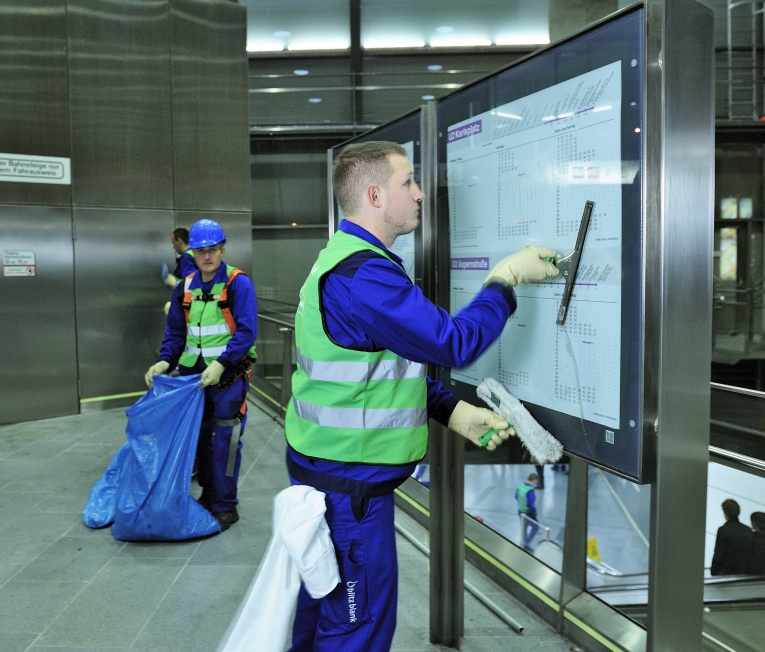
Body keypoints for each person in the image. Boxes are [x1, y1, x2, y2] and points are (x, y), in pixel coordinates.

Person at [283, 141, 559, 651]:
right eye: (407, 182)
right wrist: (505, 279)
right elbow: (455, 343)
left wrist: (451, 410)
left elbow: (376, 370)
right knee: (356, 629)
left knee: (324, 615)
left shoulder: (341, 259)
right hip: (352, 491)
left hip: (330, 474)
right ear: (374, 195)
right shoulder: (364, 274)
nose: (419, 193)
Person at [144, 218, 258, 532]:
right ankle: (210, 496)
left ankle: (225, 506)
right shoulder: (187, 286)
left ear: (222, 250)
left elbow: (246, 332)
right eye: (200, 251)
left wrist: (222, 363)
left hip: (228, 379)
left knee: (225, 440)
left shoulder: (238, 284)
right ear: (192, 253)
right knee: (200, 441)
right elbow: (176, 333)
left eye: (212, 250)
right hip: (194, 380)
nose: (206, 256)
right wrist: (165, 362)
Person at [710, 498, 754, 575]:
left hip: (726, 572)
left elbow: (719, 552)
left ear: (725, 512)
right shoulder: (747, 530)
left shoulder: (723, 530)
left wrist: (713, 571)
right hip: (744, 572)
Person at [517, 472, 540, 550]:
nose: (535, 483)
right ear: (533, 480)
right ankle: (526, 542)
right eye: (536, 481)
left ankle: (523, 542)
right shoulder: (530, 491)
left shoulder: (520, 486)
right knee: (536, 527)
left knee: (524, 527)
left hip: (520, 511)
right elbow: (530, 504)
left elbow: (516, 496)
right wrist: (535, 512)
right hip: (528, 513)